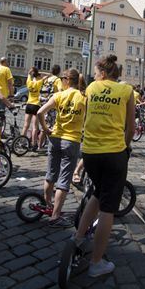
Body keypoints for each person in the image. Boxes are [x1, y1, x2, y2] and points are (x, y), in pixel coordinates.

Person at [74, 55, 135, 277]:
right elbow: (130, 128)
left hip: (89, 152)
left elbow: (88, 116)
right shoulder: (126, 91)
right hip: (114, 153)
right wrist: (125, 147)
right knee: (108, 208)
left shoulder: (91, 88)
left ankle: (78, 239)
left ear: (101, 72)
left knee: (97, 193)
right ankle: (96, 263)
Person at [37, 69, 86, 227]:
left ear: (66, 80)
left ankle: (48, 206)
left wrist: (45, 129)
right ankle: (55, 216)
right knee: (64, 179)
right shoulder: (83, 97)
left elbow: (39, 113)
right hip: (71, 141)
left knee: (51, 174)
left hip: (55, 138)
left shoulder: (58, 95)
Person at [22, 67, 47, 150]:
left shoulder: (29, 82)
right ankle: (34, 144)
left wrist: (32, 72)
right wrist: (41, 73)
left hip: (28, 104)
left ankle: (21, 141)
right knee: (35, 127)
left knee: (25, 125)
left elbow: (29, 74)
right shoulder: (39, 82)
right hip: (36, 105)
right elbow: (48, 76)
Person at [38, 64, 62, 147]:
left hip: (44, 104)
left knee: (44, 126)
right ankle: (52, 145)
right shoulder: (57, 80)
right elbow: (60, 91)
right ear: (59, 71)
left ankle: (39, 146)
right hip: (52, 106)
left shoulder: (47, 79)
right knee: (53, 126)